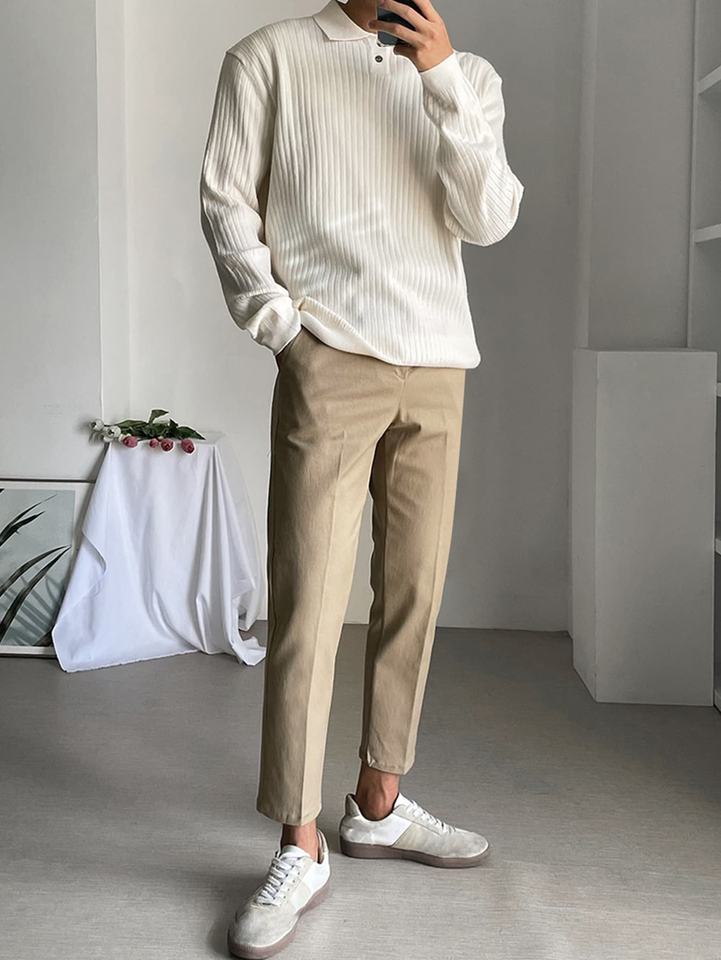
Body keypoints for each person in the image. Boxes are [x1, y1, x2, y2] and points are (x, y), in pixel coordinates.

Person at [200, 0, 524, 955]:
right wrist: (284, 332)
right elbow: (225, 202)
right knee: (308, 599)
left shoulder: (468, 77)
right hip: (330, 357)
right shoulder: (268, 58)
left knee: (413, 591)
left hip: (439, 362)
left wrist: (439, 77)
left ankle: (378, 802)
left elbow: (489, 218)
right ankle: (298, 840)